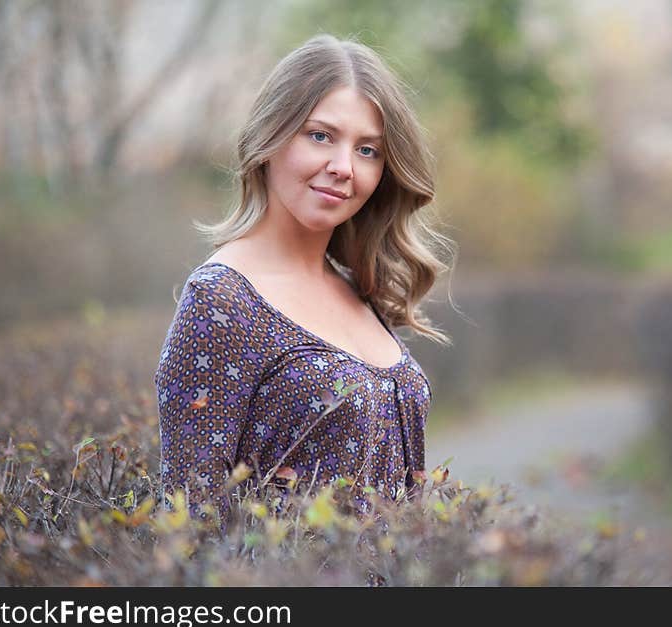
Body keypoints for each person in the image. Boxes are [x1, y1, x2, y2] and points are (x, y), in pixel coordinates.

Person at [153, 34, 456, 533]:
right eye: (320, 135)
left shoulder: (359, 288)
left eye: (368, 150)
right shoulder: (222, 300)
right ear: (270, 137)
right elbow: (189, 523)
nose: (343, 168)